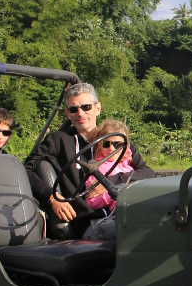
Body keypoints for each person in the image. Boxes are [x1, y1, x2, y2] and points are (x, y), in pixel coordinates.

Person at [24, 83, 154, 238]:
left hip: (120, 209)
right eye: (73, 109)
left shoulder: (115, 138)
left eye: (86, 107)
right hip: (89, 221)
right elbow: (26, 168)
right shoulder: (58, 140)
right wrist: (52, 197)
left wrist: (109, 183)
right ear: (67, 113)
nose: (80, 113)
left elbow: (147, 173)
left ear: (97, 108)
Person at [80, 119, 154, 241]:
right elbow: (91, 200)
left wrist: (120, 183)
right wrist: (111, 194)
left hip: (134, 205)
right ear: (99, 145)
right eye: (106, 144)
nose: (111, 148)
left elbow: (149, 173)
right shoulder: (96, 169)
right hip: (115, 213)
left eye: (117, 144)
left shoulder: (127, 164)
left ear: (126, 145)